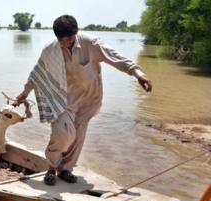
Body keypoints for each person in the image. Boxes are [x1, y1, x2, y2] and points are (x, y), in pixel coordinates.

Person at [16, 15, 152, 186]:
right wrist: (24, 93)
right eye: (61, 40)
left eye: (69, 39)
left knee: (78, 137)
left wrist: (139, 75)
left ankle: (65, 169)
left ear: (76, 33)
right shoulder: (51, 49)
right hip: (64, 99)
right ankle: (51, 167)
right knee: (61, 133)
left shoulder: (91, 43)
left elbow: (116, 58)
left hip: (89, 99)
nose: (65, 43)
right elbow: (37, 74)